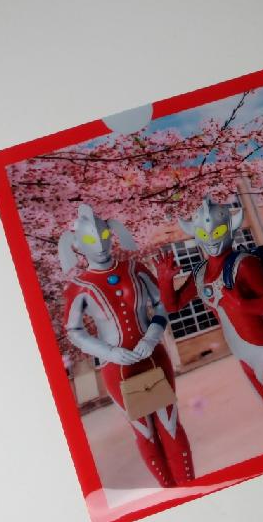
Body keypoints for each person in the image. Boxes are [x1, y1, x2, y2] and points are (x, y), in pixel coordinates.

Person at [154, 197, 263, 443]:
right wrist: (165, 280)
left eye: (217, 232)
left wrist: (241, 304)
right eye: (203, 233)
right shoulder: (200, 273)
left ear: (229, 230)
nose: (211, 239)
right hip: (244, 358)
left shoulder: (244, 264)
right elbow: (173, 305)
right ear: (196, 235)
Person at [60, 204, 194, 487]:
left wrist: (152, 335)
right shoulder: (78, 286)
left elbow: (161, 304)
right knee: (144, 431)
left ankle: (191, 488)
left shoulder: (135, 268)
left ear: (111, 234)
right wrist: (109, 352)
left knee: (170, 423)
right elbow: (73, 331)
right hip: (117, 368)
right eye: (90, 240)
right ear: (77, 245)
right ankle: (172, 493)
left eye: (104, 236)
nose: (100, 245)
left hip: (153, 356)